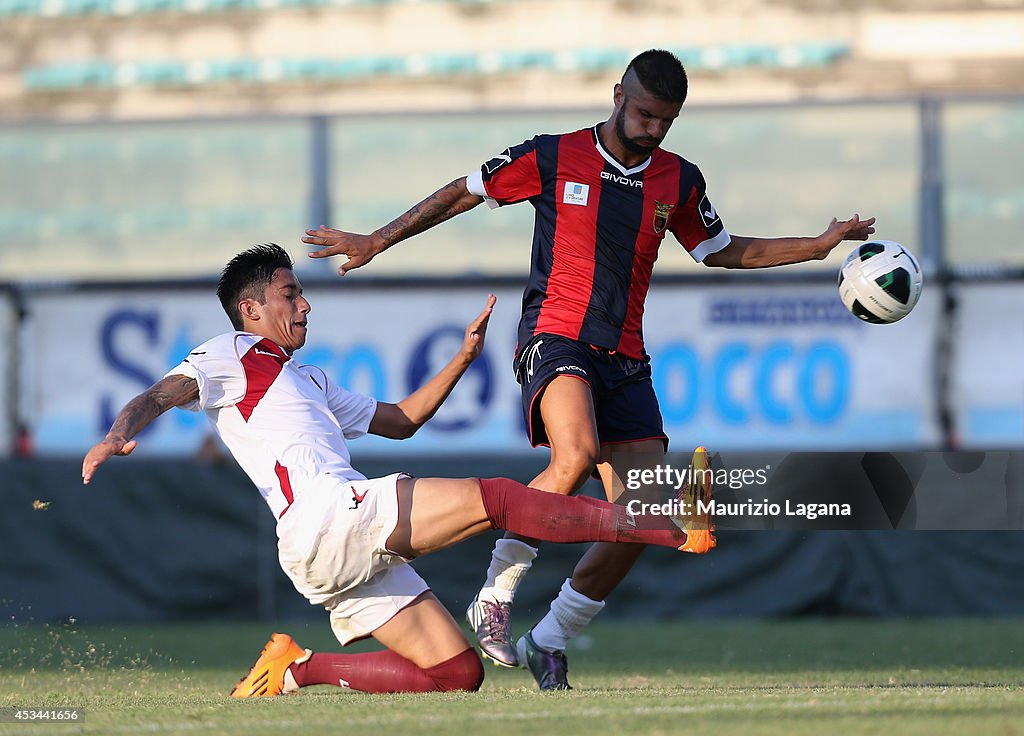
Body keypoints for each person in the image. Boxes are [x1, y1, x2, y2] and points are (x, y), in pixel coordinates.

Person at [302, 49, 879, 690]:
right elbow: (465, 190)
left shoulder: (680, 181)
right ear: (617, 95)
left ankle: (549, 639)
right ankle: (495, 592)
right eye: (644, 113)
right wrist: (377, 239)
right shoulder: (553, 156)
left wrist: (818, 247)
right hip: (557, 338)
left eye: (667, 120)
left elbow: (720, 248)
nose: (653, 129)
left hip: (626, 358)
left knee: (645, 510)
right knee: (572, 455)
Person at [81, 243, 711, 697]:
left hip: (323, 546)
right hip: (328, 518)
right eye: (290, 291)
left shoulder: (308, 378)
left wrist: (463, 358)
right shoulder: (229, 354)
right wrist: (117, 434)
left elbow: (402, 419)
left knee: (458, 674)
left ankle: (297, 668)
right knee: (497, 498)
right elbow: (160, 394)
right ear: (250, 310)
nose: (304, 304)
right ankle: (671, 529)